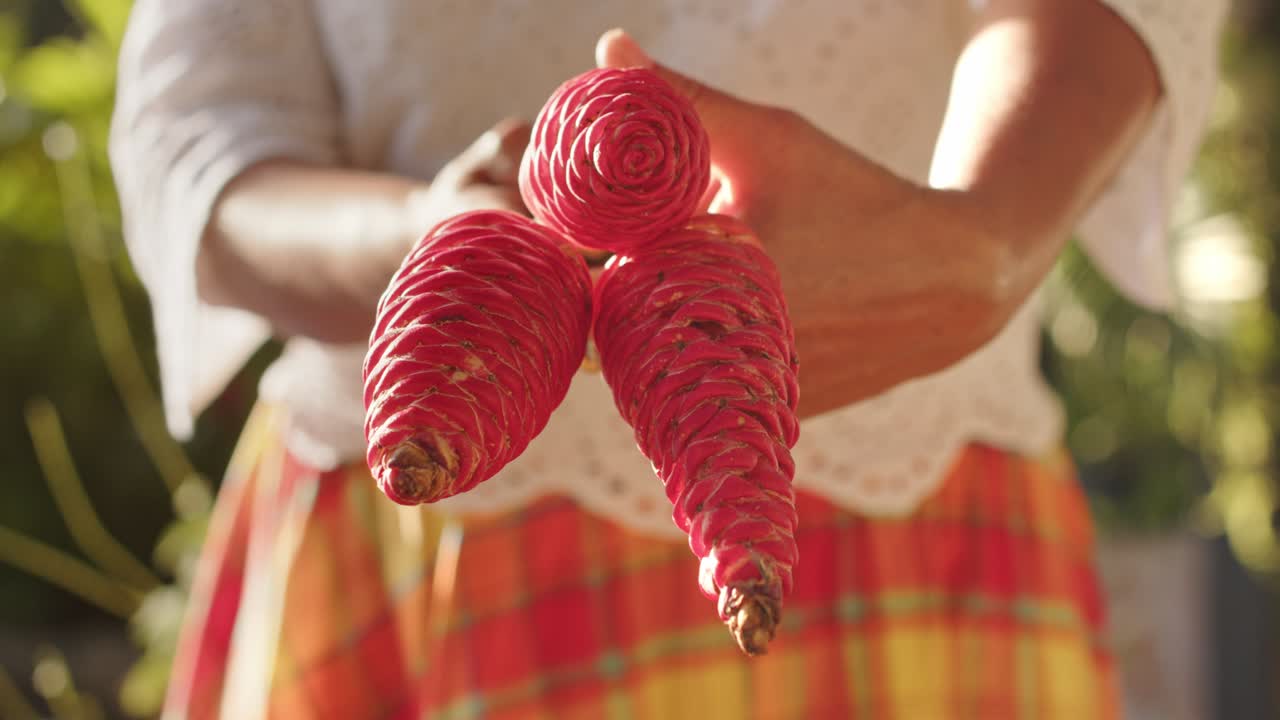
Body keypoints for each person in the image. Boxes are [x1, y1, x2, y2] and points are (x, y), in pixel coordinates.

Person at [109, 1, 1226, 718]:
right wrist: (449, 256)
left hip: (916, 514)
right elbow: (200, 138)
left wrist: (983, 237)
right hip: (429, 531)